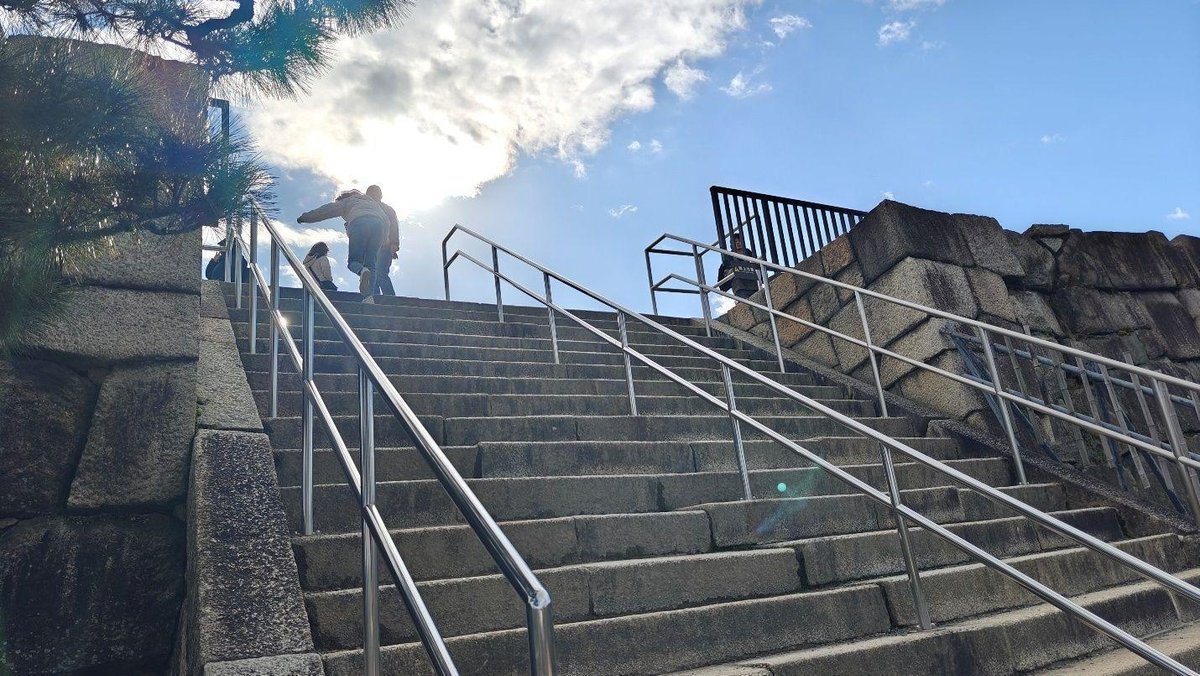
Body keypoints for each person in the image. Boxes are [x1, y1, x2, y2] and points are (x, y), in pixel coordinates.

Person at [297, 188, 387, 301]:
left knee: (354, 262)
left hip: (359, 223)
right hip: (379, 227)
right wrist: (384, 239)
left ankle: (361, 271)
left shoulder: (348, 201)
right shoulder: (372, 202)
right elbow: (386, 219)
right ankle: (369, 297)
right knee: (371, 264)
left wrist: (305, 217)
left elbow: (326, 211)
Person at [366, 185, 399, 296]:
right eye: (371, 194)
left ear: (380, 195)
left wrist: (394, 243)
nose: (373, 196)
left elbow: (394, 226)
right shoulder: (365, 208)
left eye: (375, 194)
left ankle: (391, 300)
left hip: (384, 246)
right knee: (372, 275)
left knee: (380, 274)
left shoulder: (388, 209)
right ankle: (376, 299)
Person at [717, 233, 761, 299]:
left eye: (739, 240)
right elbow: (723, 281)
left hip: (754, 285)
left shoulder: (749, 253)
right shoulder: (728, 258)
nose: (738, 243)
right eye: (735, 241)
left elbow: (758, 266)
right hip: (740, 287)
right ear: (731, 245)